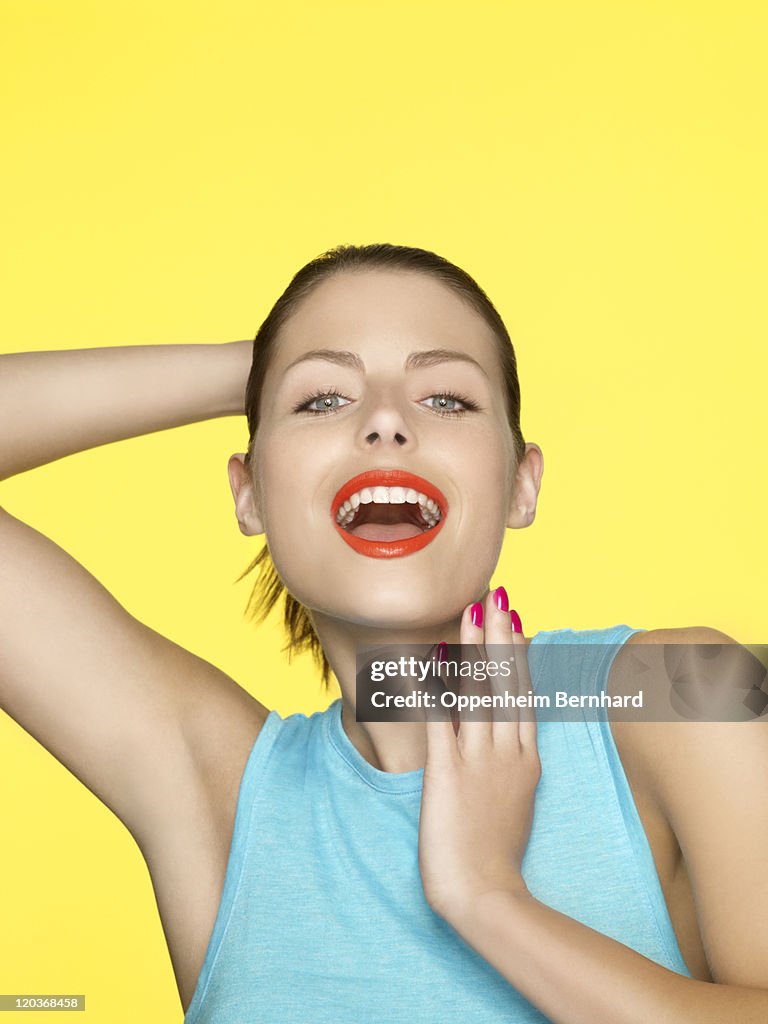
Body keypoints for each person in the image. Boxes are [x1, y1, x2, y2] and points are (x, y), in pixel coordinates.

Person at [1, 243, 766, 1023]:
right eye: (324, 401)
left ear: (522, 483)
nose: (387, 422)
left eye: (447, 399)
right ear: (250, 495)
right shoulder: (222, 797)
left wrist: (487, 898)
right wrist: (267, 362)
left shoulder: (685, 690)